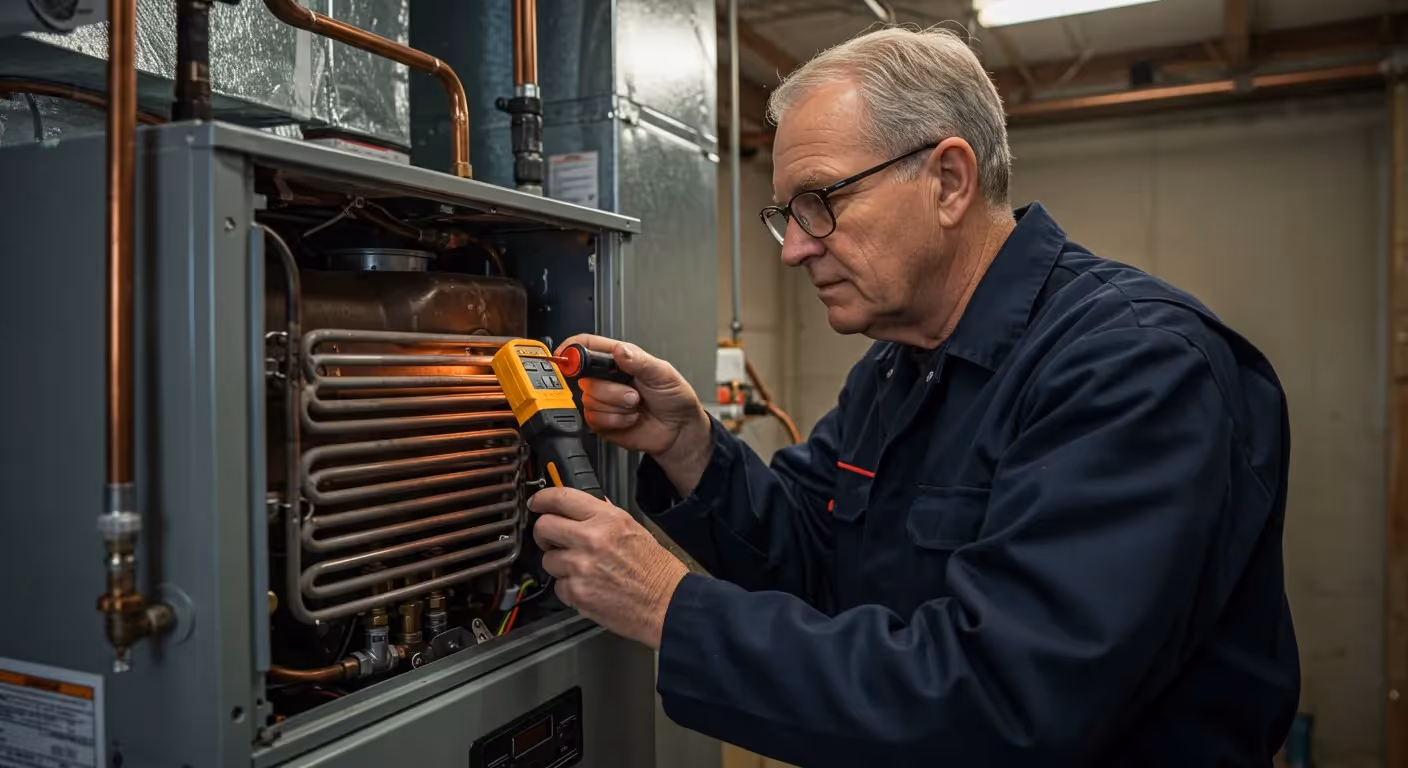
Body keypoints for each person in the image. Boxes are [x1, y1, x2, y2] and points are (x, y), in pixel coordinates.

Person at [527, 26, 1300, 767]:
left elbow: (1007, 704)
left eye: (820, 201)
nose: (796, 248)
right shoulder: (900, 365)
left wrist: (672, 607)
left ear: (949, 180)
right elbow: (814, 556)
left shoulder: (1134, 367)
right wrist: (690, 445)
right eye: (786, 216)